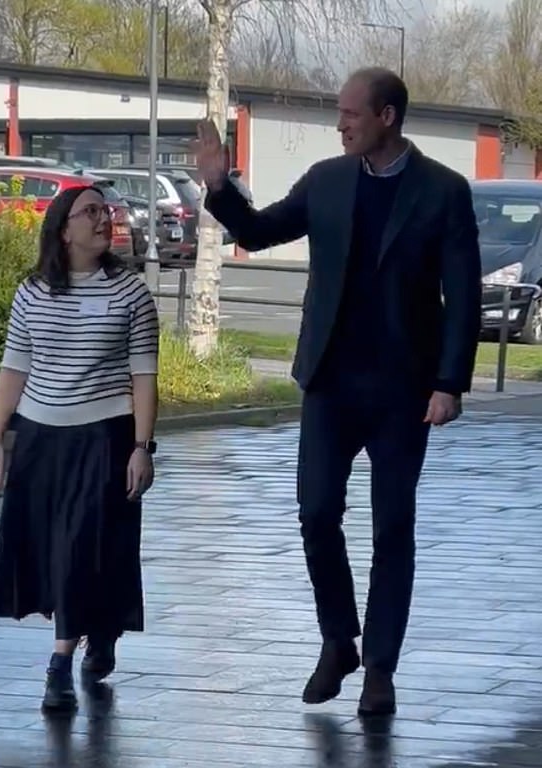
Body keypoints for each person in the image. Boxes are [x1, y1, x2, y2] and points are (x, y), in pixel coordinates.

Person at [195, 67, 481, 716]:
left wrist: (449, 383)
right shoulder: (327, 180)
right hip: (328, 383)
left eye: (351, 113)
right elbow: (259, 231)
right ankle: (338, 640)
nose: (340, 123)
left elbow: (463, 296)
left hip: (404, 393)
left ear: (387, 116)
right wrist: (219, 185)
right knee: (317, 515)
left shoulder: (442, 191)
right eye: (339, 113)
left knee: (392, 530)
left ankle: (380, 668)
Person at [0, 184, 159, 713]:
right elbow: (14, 369)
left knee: (83, 544)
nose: (104, 219)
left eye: (106, 211)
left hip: (103, 438)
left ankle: (59, 664)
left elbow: (144, 376)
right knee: (52, 548)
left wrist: (142, 446)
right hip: (40, 437)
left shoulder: (131, 294)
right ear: (63, 229)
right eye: (91, 212)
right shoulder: (33, 292)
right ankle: (96, 628)